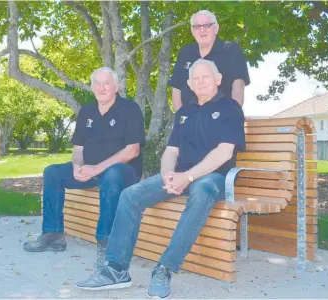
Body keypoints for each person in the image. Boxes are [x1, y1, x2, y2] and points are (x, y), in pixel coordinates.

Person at [76, 59, 245, 298]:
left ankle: (165, 268)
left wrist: (188, 176)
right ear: (189, 84)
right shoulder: (184, 112)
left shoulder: (230, 108)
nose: (200, 82)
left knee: (202, 190)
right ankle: (116, 269)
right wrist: (168, 176)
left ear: (218, 80)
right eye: (195, 78)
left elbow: (224, 152)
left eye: (205, 77)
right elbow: (171, 151)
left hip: (214, 177)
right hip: (181, 175)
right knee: (130, 195)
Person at [23, 67, 146, 268]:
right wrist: (77, 166)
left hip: (123, 171)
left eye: (106, 83)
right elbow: (78, 148)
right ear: (91, 87)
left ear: (116, 87)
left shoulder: (130, 109)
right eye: (96, 83)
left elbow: (132, 151)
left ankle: (107, 243)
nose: (101, 87)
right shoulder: (87, 111)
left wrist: (97, 168)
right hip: (92, 170)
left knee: (112, 174)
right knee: (52, 173)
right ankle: (53, 234)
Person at [169, 10, 250, 110]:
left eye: (207, 25)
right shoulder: (185, 53)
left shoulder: (230, 50)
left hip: (222, 119)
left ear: (216, 28)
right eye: (197, 26)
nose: (202, 30)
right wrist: (181, 118)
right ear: (192, 31)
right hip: (190, 120)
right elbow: (176, 88)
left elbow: (238, 85)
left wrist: (233, 115)